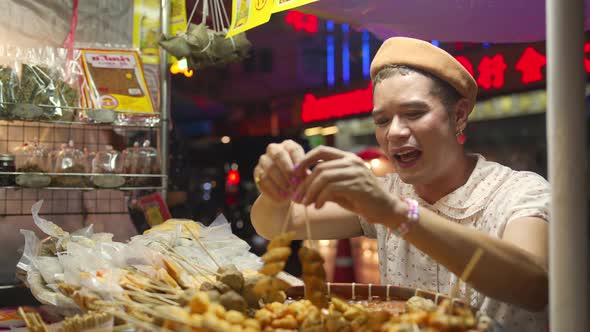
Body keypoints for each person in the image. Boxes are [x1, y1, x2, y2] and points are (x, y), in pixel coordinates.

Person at [250, 37, 548, 331]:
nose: (394, 132)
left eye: (414, 113)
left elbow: (534, 285)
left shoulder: (519, 192)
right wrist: (276, 187)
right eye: (381, 121)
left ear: (458, 115)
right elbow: (275, 224)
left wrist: (396, 213)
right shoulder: (386, 192)